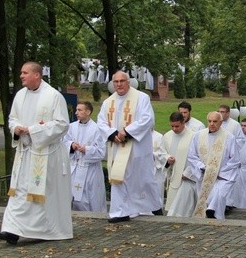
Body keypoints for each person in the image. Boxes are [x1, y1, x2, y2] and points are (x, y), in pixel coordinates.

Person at [0, 61, 72, 244]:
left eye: (24, 72)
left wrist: (33, 130)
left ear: (37, 75)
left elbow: (62, 124)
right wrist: (16, 129)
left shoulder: (53, 96)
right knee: (19, 191)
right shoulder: (20, 95)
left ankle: (45, 230)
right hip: (25, 152)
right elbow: (12, 119)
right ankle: (11, 230)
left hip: (46, 155)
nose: (21, 76)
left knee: (41, 193)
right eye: (21, 73)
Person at [97, 70, 155, 223]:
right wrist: (112, 133)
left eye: (122, 81)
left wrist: (127, 132)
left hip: (136, 146)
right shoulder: (108, 102)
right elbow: (101, 121)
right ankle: (120, 211)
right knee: (118, 176)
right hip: (117, 146)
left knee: (141, 178)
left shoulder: (141, 98)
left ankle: (150, 207)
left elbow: (147, 119)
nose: (119, 84)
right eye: (116, 82)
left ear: (128, 82)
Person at [188, 111, 240, 219]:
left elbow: (235, 159)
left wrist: (219, 172)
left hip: (222, 176)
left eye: (215, 121)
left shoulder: (229, 137)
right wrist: (202, 167)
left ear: (221, 122)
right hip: (204, 175)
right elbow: (192, 155)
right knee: (207, 198)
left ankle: (215, 215)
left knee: (220, 196)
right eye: (209, 121)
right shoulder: (198, 136)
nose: (211, 124)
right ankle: (210, 215)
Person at [62, 101, 107, 212]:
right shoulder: (71, 127)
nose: (76, 112)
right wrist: (71, 145)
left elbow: (102, 151)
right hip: (74, 168)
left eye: (80, 110)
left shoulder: (97, 129)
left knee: (89, 198)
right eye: (76, 110)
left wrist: (86, 149)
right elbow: (63, 142)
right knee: (72, 196)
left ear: (88, 112)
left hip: (90, 170)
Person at [162, 112, 196, 215]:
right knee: (173, 207)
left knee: (184, 207)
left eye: (177, 126)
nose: (174, 129)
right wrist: (167, 159)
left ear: (183, 123)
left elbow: (196, 157)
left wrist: (188, 173)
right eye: (172, 126)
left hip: (186, 177)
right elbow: (162, 153)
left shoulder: (193, 136)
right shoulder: (167, 136)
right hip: (173, 175)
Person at [230, 117, 246, 210]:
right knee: (238, 189)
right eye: (242, 126)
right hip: (239, 167)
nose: (243, 128)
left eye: (245, 126)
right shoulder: (238, 138)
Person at [149, 128, 168, 215]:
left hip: (156, 169)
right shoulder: (138, 136)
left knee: (157, 191)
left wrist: (152, 155)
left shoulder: (159, 136)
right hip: (143, 169)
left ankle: (157, 211)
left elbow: (163, 153)